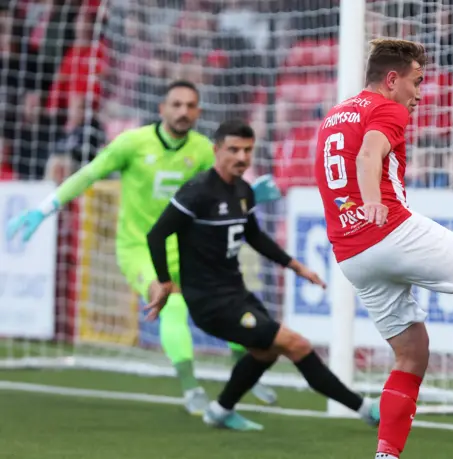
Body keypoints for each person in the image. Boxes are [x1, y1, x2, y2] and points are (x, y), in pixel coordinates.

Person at [313, 38, 453, 459]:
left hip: (351, 255)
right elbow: (368, 156)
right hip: (389, 230)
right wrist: (372, 201)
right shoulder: (388, 107)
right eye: (417, 82)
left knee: (411, 353)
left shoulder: (334, 116)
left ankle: (386, 454)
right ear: (391, 78)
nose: (419, 94)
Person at [6, 80, 281, 414]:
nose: (183, 111)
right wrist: (44, 209)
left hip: (186, 247)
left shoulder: (201, 149)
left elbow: (224, 186)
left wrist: (252, 194)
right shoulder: (132, 144)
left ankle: (247, 373)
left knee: (230, 304)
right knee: (173, 306)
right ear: (161, 109)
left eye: (190, 105)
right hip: (139, 247)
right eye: (176, 104)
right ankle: (191, 387)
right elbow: (89, 174)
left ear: (199, 112)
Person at [144, 119, 380, 431]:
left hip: (236, 293)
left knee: (266, 350)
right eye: (233, 150)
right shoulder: (197, 191)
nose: (241, 157)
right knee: (296, 344)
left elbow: (253, 236)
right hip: (209, 301)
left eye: (247, 150)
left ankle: (220, 410)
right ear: (216, 150)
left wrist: (295, 266)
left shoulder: (243, 191)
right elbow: (156, 234)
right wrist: (164, 281)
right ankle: (366, 409)